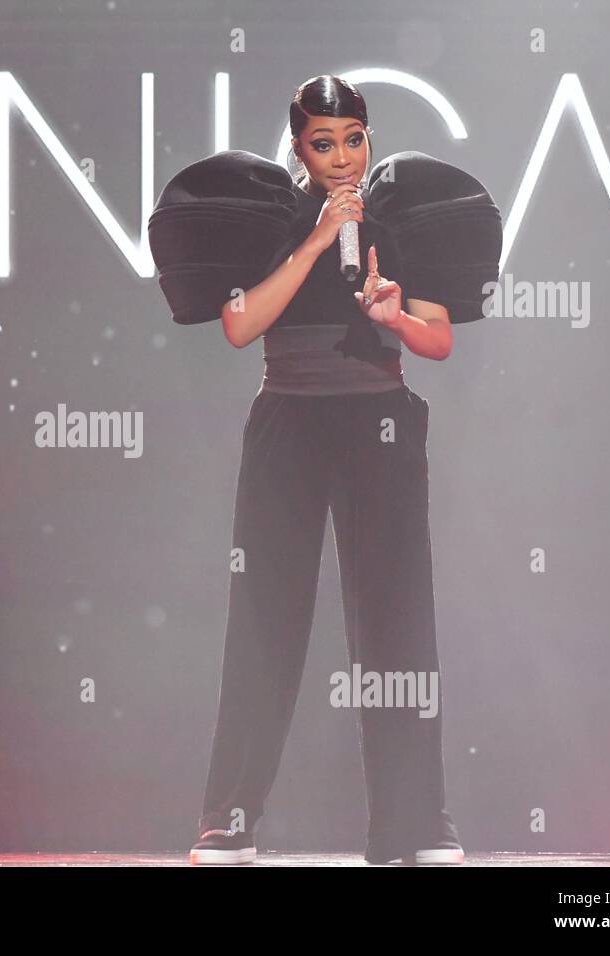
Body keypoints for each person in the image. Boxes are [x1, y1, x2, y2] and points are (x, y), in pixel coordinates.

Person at [187, 75, 465, 865]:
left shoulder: (401, 217)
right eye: (323, 142)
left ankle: (416, 824)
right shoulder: (272, 220)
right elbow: (239, 324)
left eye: (353, 140)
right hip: (290, 420)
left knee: (398, 618)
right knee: (266, 615)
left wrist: (395, 317)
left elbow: (440, 340)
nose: (342, 158)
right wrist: (314, 240)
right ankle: (229, 817)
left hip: (379, 418)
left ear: (370, 138)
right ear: (300, 147)